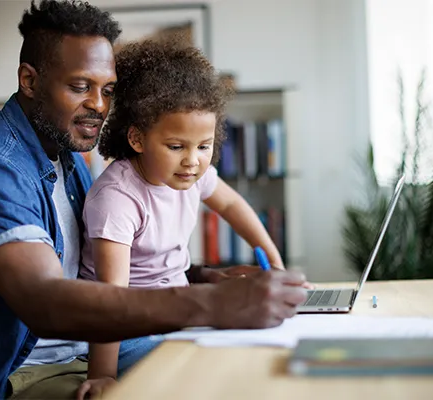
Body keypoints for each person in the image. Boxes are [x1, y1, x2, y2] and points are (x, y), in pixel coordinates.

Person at [0, 1, 309, 399]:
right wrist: (212, 303)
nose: (100, 105)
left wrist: (199, 278)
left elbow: (106, 267)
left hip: (79, 353)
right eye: (81, 87)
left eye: (108, 90)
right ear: (29, 81)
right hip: (18, 376)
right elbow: (45, 302)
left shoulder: (65, 156)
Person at [76, 38, 289, 398]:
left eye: (203, 146)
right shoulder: (117, 199)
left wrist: (271, 256)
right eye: (176, 146)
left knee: (260, 348)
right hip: (130, 332)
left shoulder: (191, 175)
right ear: (137, 138)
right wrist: (102, 375)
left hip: (176, 317)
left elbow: (233, 206)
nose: (193, 160)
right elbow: (110, 300)